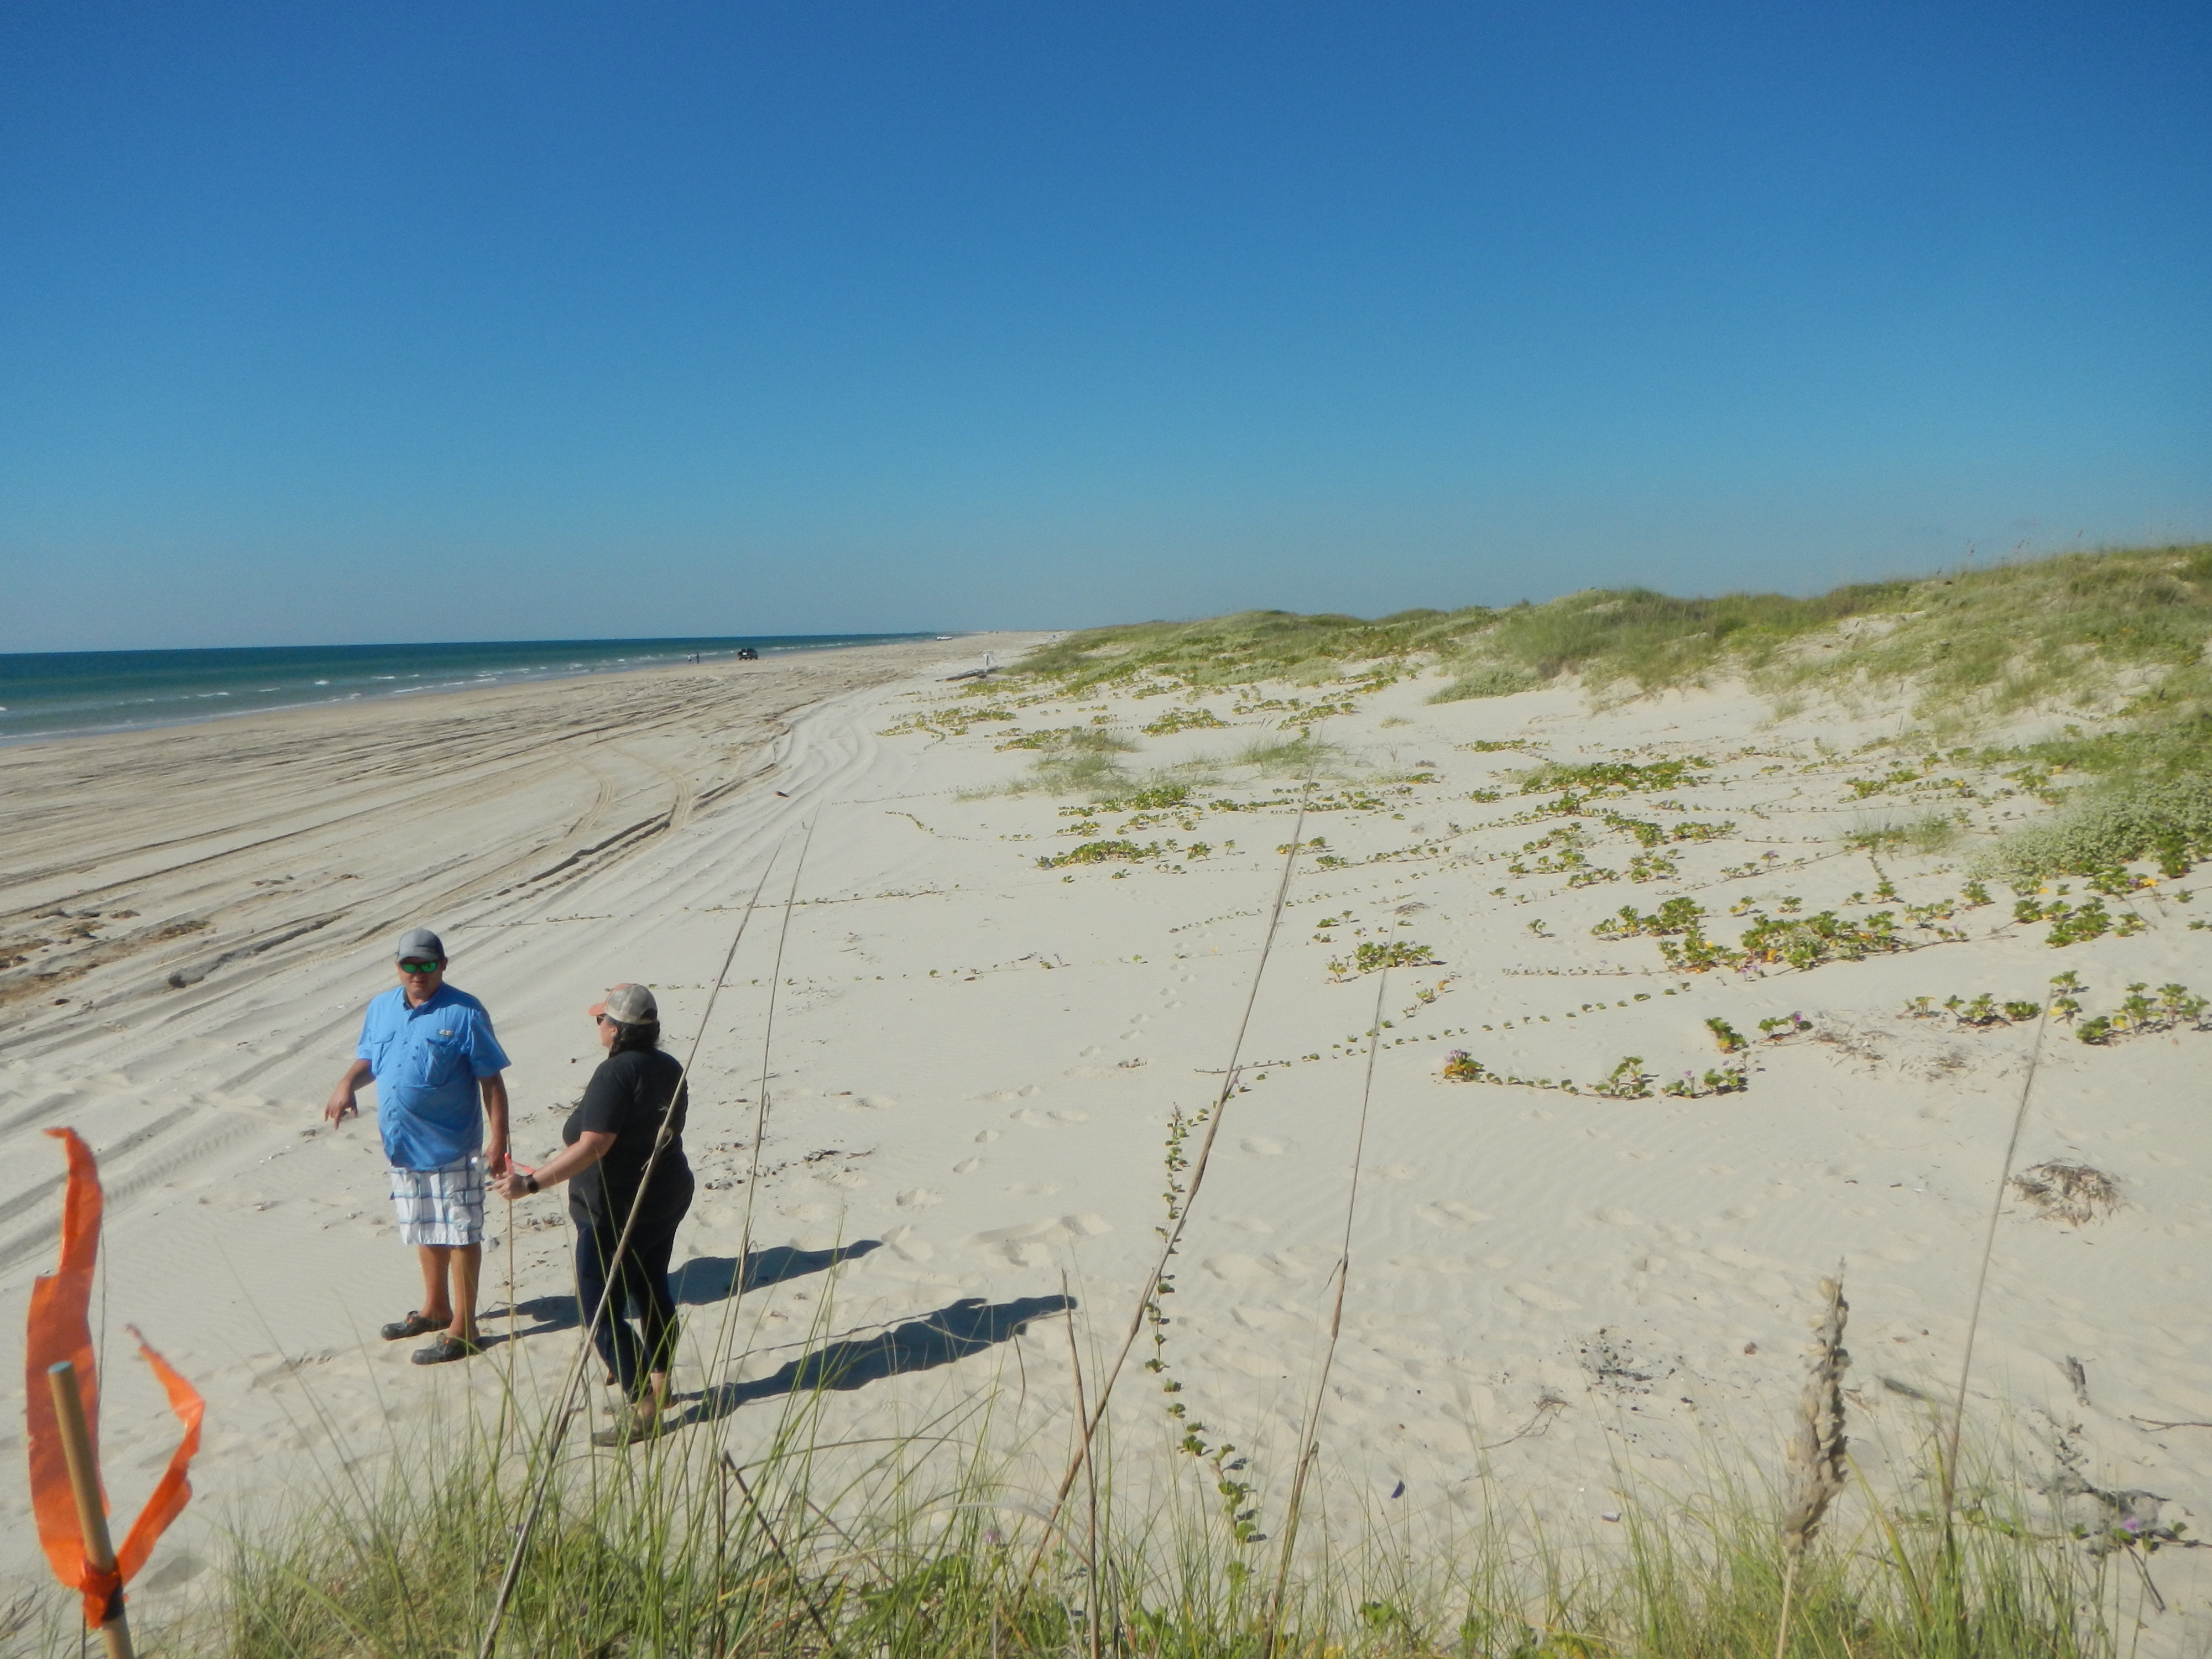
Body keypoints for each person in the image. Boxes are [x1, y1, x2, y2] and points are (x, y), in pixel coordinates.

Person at [492, 983, 693, 1445]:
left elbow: (595, 1145)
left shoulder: (616, 1074)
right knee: (651, 1286)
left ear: (617, 1030)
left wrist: (532, 1183)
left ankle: (644, 1407)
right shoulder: (668, 1065)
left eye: (601, 1020)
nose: (597, 1026)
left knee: (599, 1310)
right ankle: (659, 1386)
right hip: (664, 1195)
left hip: (618, 1208)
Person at [325, 927, 511, 1364]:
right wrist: (346, 1084)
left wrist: (499, 1139)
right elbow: (372, 1059)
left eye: (428, 965)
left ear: (443, 965)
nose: (418, 974)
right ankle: (435, 1309)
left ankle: (464, 1330)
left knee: (461, 1233)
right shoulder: (382, 1008)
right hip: (404, 1147)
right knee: (423, 1227)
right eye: (410, 965)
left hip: (454, 1146)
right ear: (398, 966)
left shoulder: (465, 1012)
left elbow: (492, 1081)